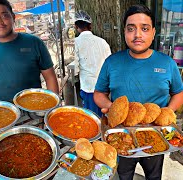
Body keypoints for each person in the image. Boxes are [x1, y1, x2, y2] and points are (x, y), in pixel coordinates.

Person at [94, 4, 183, 180]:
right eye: (131, 29)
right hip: (122, 134)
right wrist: (112, 108)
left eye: (144, 28)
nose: (137, 35)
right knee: (124, 174)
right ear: (124, 32)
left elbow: (178, 93)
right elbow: (98, 93)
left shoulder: (167, 63)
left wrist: (166, 113)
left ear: (153, 32)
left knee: (154, 175)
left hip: (155, 135)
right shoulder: (112, 62)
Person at [0, 0, 59, 101]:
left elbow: (50, 78)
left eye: (4, 16)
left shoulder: (34, 43)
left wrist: (53, 107)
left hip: (33, 111)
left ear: (13, 17)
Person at [74, 10, 111, 117]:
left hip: (89, 88)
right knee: (103, 116)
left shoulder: (76, 42)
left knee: (91, 118)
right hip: (104, 88)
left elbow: (75, 69)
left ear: (77, 27)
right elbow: (109, 65)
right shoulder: (102, 42)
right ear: (90, 26)